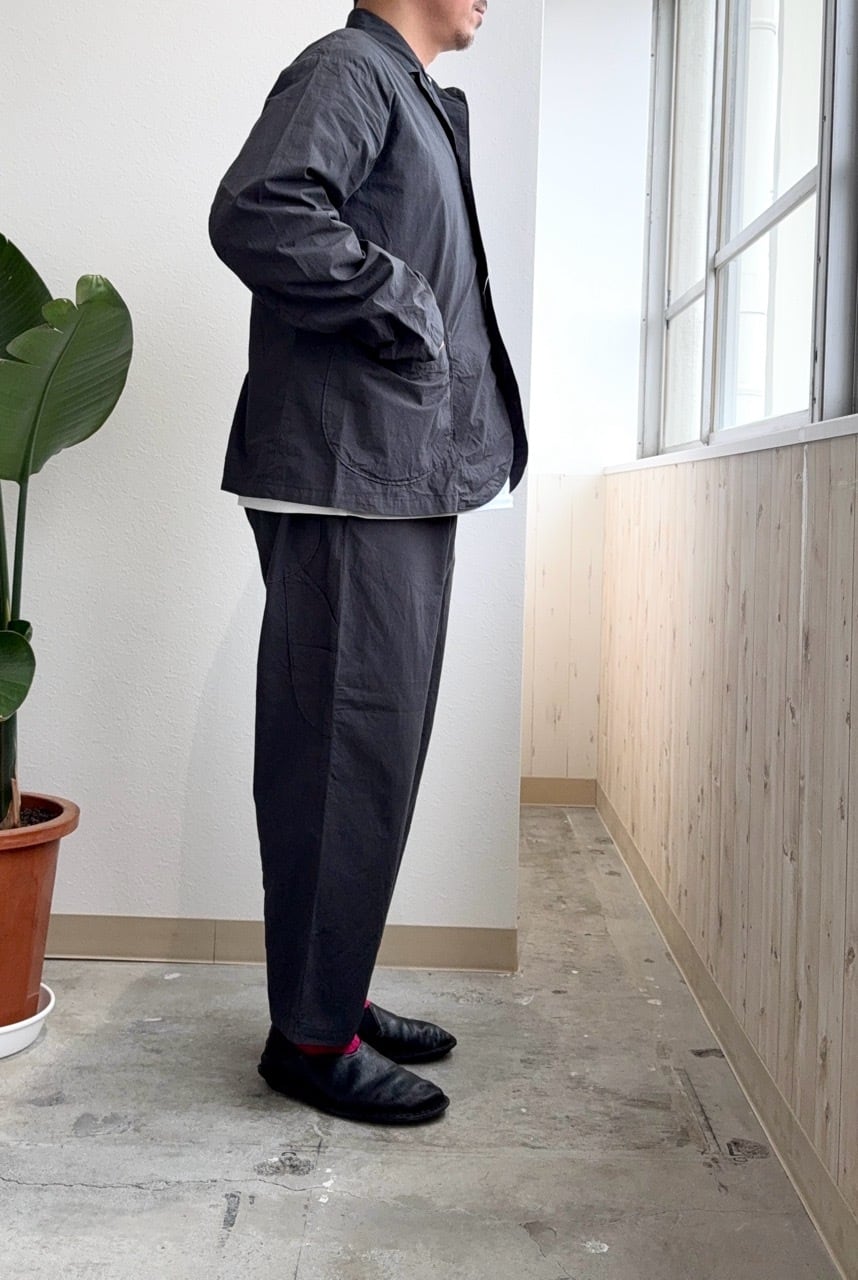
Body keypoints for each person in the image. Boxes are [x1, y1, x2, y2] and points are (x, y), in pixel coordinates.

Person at [208, 0, 527, 1125]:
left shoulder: (406, 90)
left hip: (396, 471)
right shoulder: (351, 65)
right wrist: (402, 301)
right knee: (340, 760)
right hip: (352, 474)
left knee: (370, 760)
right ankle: (310, 1039)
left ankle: (330, 991)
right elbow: (261, 208)